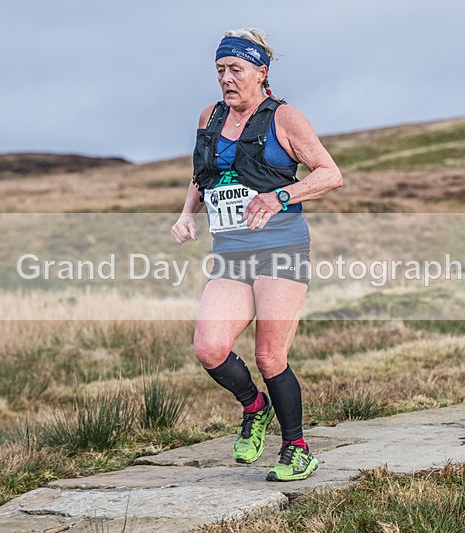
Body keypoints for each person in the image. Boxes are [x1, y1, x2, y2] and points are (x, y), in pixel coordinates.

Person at [171, 27, 342, 481]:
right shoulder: (209, 116)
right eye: (220, 70)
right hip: (231, 254)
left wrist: (281, 197)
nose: (227, 79)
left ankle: (298, 448)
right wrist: (188, 213)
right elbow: (201, 174)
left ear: (260, 73)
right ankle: (254, 406)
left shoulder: (284, 118)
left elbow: (330, 174)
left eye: (236, 70)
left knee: (270, 357)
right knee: (209, 348)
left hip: (281, 250)